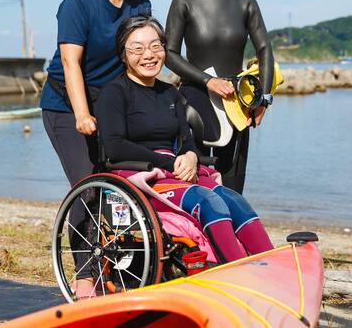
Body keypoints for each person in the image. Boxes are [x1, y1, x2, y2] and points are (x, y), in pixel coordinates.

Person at [97, 15, 274, 265]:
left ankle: (269, 263)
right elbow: (115, 146)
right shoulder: (114, 93)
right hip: (140, 175)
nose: (148, 54)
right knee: (207, 201)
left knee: (234, 199)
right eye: (137, 48)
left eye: (155, 46)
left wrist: (190, 155)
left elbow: (185, 138)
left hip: (175, 171)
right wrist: (167, 164)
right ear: (123, 54)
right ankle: (237, 270)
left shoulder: (169, 92)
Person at [39, 0, 150, 296]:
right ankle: (84, 274)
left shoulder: (140, 6)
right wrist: (82, 115)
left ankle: (119, 267)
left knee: (121, 187)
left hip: (109, 106)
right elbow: (71, 64)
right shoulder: (78, 3)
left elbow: (138, 61)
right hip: (65, 106)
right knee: (87, 187)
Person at [165, 0, 275, 194]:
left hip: (237, 104)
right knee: (194, 185)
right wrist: (208, 81)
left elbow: (265, 51)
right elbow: (169, 53)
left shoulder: (246, 2)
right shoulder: (184, 1)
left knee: (233, 188)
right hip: (194, 101)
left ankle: (229, 236)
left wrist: (263, 101)